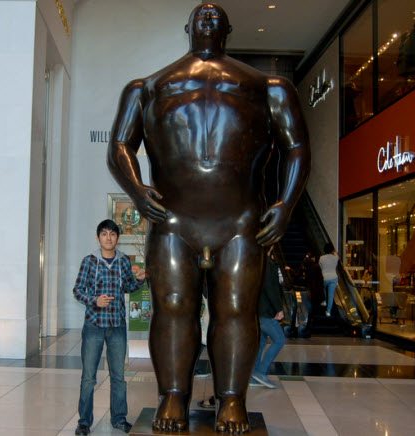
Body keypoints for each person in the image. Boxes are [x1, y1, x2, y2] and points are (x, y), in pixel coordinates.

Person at [107, 3, 310, 432]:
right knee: (172, 308)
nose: (208, 17)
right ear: (187, 27)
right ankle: (172, 395)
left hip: (239, 221)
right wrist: (138, 190)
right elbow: (119, 146)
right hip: (174, 220)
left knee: (236, 310)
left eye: (217, 16)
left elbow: (296, 148)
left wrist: (286, 203)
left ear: (229, 29)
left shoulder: (267, 86)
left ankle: (232, 398)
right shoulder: (148, 87)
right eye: (201, 14)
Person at [72, 219, 146, 435]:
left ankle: (119, 419)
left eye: (112, 234)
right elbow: (77, 290)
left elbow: (129, 287)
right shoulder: (89, 261)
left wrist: (139, 279)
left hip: (117, 326)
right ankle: (84, 422)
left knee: (118, 377)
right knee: (88, 377)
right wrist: (94, 300)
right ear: (98, 238)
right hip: (94, 325)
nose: (108, 238)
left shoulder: (123, 261)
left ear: (117, 238)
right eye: (104, 234)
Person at [251, 247, 285, 388]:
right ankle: (261, 372)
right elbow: (271, 288)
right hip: (266, 310)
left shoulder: (255, 262)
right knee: (280, 340)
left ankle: (253, 377)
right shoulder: (268, 264)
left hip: (257, 309)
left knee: (261, 342)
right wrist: (279, 308)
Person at [319, 243, 339, 317]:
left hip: (325, 278)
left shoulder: (321, 258)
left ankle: (325, 301)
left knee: (324, 289)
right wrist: (334, 252)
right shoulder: (335, 257)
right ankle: (328, 312)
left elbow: (321, 267)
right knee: (331, 295)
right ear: (332, 250)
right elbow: (336, 254)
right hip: (334, 278)